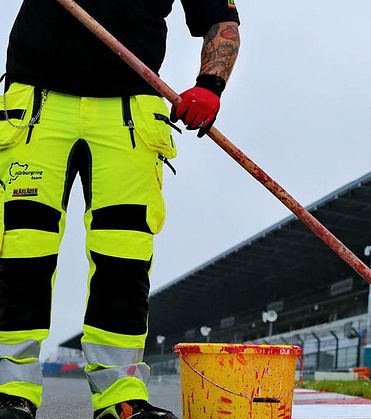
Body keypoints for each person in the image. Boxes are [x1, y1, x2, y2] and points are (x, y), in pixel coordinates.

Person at [0, 0, 240, 417]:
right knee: (22, 250)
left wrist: (209, 85)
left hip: (131, 110)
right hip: (37, 104)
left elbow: (222, 22)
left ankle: (119, 397)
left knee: (124, 259)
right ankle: (9, 389)